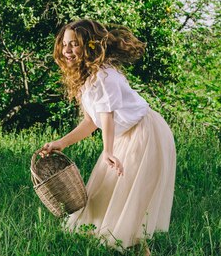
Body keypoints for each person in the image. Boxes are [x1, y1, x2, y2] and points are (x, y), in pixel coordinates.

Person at [40, 19, 176, 253]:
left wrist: (108, 151)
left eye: (75, 44)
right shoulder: (88, 80)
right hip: (127, 135)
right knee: (108, 191)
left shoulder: (104, 76)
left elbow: (107, 116)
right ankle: (129, 248)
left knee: (129, 193)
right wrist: (61, 142)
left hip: (146, 132)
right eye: (65, 44)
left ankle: (137, 248)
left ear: (89, 46)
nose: (68, 50)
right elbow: (92, 121)